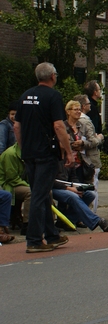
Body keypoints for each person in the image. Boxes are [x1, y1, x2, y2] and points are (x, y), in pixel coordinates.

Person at [13, 62, 73, 253]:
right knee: (39, 196)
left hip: (29, 153)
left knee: (43, 193)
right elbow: (58, 126)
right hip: (46, 153)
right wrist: (68, 151)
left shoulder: (25, 96)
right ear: (53, 76)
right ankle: (33, 240)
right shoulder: (53, 96)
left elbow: (16, 126)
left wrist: (24, 148)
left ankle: (52, 235)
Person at [65, 99, 103, 209]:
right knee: (69, 191)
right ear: (68, 111)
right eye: (75, 109)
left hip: (82, 163)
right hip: (67, 164)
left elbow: (94, 141)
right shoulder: (63, 126)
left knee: (83, 191)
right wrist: (71, 144)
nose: (78, 112)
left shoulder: (84, 125)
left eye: (79, 109)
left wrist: (83, 143)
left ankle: (79, 217)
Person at [0, 142, 30, 233]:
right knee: (31, 192)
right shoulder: (10, 154)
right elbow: (12, 178)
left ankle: (48, 224)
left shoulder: (30, 153)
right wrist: (29, 185)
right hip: (9, 184)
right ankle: (27, 224)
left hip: (21, 183)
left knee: (46, 192)